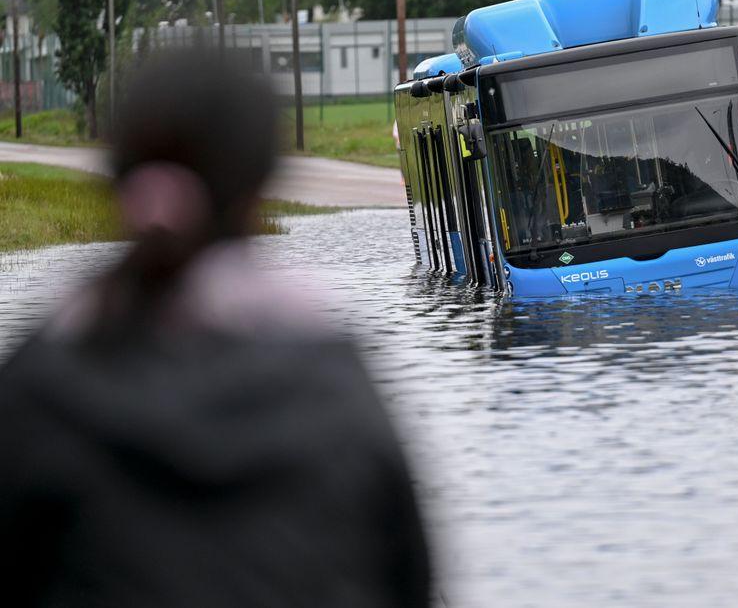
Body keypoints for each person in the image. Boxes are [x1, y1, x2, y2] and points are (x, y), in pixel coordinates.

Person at [0, 51, 430, 607]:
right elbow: (408, 580)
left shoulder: (35, 391)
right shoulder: (333, 385)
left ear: (115, 178)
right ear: (261, 185)